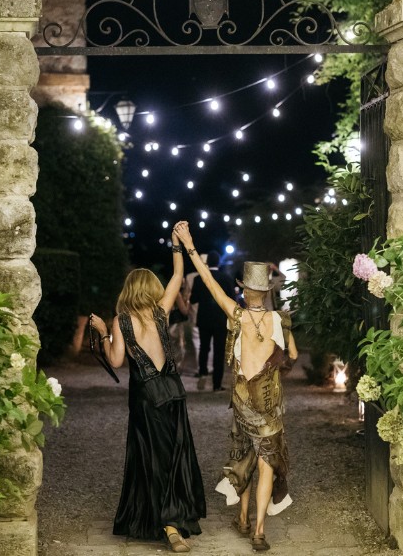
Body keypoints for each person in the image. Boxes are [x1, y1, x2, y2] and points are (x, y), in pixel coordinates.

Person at [178, 229, 298, 554]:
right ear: (268, 290)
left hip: (243, 401)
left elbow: (212, 286)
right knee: (266, 463)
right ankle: (258, 531)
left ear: (245, 290)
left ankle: (242, 519)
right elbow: (294, 357)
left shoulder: (238, 314)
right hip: (270, 405)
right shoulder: (278, 320)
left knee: (242, 456)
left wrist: (190, 248)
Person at [88, 224, 206, 553]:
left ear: (128, 289)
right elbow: (178, 275)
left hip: (144, 401)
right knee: (175, 456)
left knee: (151, 459)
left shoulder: (120, 320)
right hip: (173, 392)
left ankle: (166, 524)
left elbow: (114, 361)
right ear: (150, 288)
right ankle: (171, 519)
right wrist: (175, 244)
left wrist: (101, 332)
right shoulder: (160, 312)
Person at [189, 247, 229, 391]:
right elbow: (231, 300)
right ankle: (217, 384)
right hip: (220, 321)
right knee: (219, 351)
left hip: (204, 319)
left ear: (207, 262)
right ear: (218, 263)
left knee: (203, 348)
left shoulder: (199, 278)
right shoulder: (226, 278)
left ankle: (203, 373)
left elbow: (193, 300)